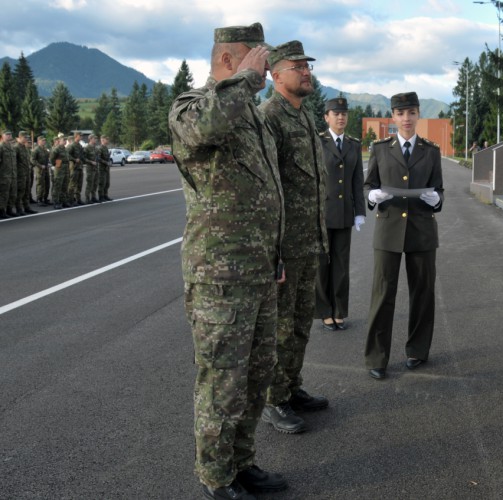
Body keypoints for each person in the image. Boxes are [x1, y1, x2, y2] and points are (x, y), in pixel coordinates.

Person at [168, 22, 288, 500]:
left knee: (255, 378)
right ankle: (216, 479)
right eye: (255, 57)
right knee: (223, 381)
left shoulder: (251, 114)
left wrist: (275, 254)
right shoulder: (190, 107)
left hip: (259, 270)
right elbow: (206, 128)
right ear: (228, 60)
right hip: (219, 276)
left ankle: (241, 463)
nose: (262, 66)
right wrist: (247, 80)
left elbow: (267, 190)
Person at [258, 40, 329, 435]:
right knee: (281, 327)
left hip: (309, 241)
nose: (307, 71)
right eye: (298, 65)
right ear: (274, 73)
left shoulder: (302, 114)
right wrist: (275, 250)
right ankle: (274, 399)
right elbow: (269, 188)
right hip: (286, 246)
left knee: (300, 323)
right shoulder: (269, 117)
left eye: (308, 65)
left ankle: (291, 387)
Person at [363, 91, 444, 380]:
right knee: (382, 293)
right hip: (388, 230)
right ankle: (376, 356)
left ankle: (417, 350)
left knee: (422, 293)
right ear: (393, 117)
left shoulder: (430, 151)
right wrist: (372, 195)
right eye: (401, 113)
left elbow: (439, 189)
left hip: (422, 230)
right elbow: (369, 184)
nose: (406, 119)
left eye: (411, 113)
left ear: (418, 114)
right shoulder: (381, 149)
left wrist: (437, 199)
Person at [315, 97, 366, 331]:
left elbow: (357, 181)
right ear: (326, 117)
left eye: (344, 113)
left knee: (341, 266)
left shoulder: (353, 144)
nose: (341, 117)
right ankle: (325, 311)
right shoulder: (317, 142)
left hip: (345, 213)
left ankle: (339, 311)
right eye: (336, 113)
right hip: (322, 213)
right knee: (322, 264)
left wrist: (360, 212)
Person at [14, 132, 36, 215]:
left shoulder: (25, 148)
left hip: (27, 172)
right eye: (24, 137)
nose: (26, 139)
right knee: (20, 191)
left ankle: (26, 207)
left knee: (27, 191)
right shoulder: (16, 148)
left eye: (27, 137)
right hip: (20, 174)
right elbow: (14, 162)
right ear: (19, 138)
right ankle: (19, 208)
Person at [1, 130, 19, 218]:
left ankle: (9, 209)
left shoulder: (12, 147)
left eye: (10, 134)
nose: (9, 136)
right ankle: (1, 211)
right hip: (4, 175)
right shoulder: (1, 147)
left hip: (13, 174)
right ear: (2, 136)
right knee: (4, 194)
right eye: (7, 134)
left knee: (13, 193)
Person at [50, 133, 69, 210]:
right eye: (63, 140)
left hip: (65, 169)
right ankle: (56, 202)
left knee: (64, 186)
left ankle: (63, 201)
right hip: (59, 169)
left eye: (65, 140)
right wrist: (57, 164)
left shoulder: (64, 149)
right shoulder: (56, 149)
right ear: (59, 141)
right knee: (57, 186)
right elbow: (52, 159)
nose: (65, 141)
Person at [66, 132, 85, 205]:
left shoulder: (80, 146)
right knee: (72, 184)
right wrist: (74, 159)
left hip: (80, 167)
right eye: (80, 136)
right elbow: (67, 155)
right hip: (74, 167)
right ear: (76, 136)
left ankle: (78, 199)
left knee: (79, 184)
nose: (81, 137)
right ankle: (70, 200)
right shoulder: (71, 146)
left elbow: (82, 156)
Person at [32, 135, 51, 206]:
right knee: (40, 185)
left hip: (46, 170)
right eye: (42, 140)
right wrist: (40, 165)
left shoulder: (45, 149)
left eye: (44, 140)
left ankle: (45, 198)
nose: (44, 142)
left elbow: (48, 158)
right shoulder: (36, 150)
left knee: (47, 184)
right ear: (38, 141)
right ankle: (39, 199)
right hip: (40, 170)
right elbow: (32, 160)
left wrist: (48, 163)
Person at [83, 134, 99, 203]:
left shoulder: (95, 148)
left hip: (95, 168)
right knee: (90, 183)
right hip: (90, 168)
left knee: (95, 183)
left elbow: (97, 156)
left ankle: (93, 197)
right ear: (91, 139)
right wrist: (91, 162)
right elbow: (84, 158)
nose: (96, 140)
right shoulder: (87, 148)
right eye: (94, 139)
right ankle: (87, 198)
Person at [98, 135, 113, 202]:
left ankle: (105, 195)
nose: (108, 141)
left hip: (106, 168)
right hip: (101, 168)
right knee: (102, 183)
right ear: (103, 140)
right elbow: (98, 158)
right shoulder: (100, 148)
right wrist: (105, 162)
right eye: (107, 139)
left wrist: (109, 162)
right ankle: (101, 196)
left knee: (107, 183)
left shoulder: (106, 148)